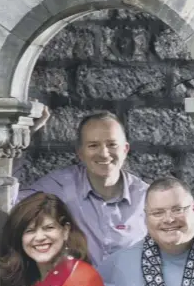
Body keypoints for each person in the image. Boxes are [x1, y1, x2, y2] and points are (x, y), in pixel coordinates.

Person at [17, 110, 148, 267]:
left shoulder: (146, 198)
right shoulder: (61, 186)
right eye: (93, 145)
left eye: (112, 144)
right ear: (80, 153)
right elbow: (9, 202)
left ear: (125, 149)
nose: (104, 154)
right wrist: (23, 137)